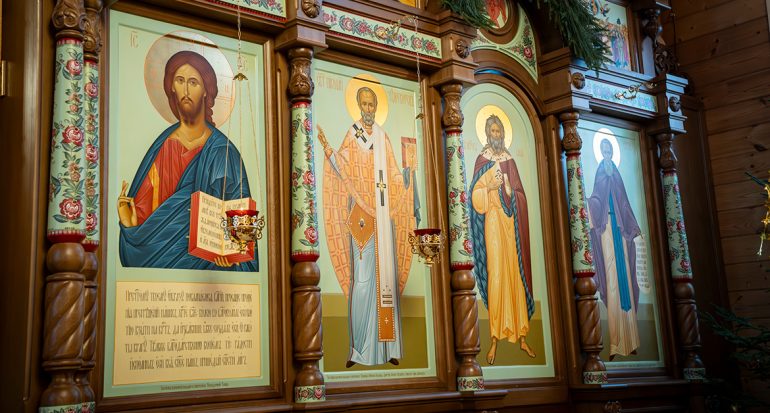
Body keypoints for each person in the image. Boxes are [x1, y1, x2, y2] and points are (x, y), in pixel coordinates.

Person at [117, 50, 257, 271]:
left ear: (206, 90)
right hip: (156, 268)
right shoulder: (162, 147)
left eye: (193, 82)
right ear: (171, 87)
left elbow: (242, 215)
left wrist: (232, 253)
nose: (186, 90)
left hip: (210, 269)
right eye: (180, 81)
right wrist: (129, 224)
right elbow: (146, 220)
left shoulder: (224, 151)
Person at [320, 86, 415, 367]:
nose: (369, 109)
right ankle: (359, 349)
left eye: (372, 104)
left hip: (383, 217)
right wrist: (329, 151)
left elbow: (393, 173)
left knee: (386, 279)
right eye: (364, 104)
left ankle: (387, 349)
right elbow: (344, 167)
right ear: (359, 106)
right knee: (362, 282)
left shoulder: (383, 137)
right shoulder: (354, 134)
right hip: (361, 217)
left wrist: (405, 176)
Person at [469, 114, 535, 364]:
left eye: (499, 131)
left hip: (511, 224)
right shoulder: (482, 160)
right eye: (493, 131)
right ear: (487, 134)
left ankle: (521, 335)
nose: (496, 135)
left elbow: (520, 195)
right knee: (496, 275)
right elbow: (474, 195)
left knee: (515, 275)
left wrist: (510, 191)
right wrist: (489, 188)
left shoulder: (510, 161)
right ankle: (495, 337)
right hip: (493, 221)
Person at [588, 138, 641, 359]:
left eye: (610, 151)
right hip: (606, 230)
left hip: (620, 232)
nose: (608, 155)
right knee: (611, 283)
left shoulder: (616, 174)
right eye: (605, 151)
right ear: (601, 154)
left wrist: (631, 226)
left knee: (625, 279)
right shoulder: (601, 172)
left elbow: (624, 202)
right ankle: (615, 344)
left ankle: (632, 342)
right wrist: (588, 202)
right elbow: (597, 199)